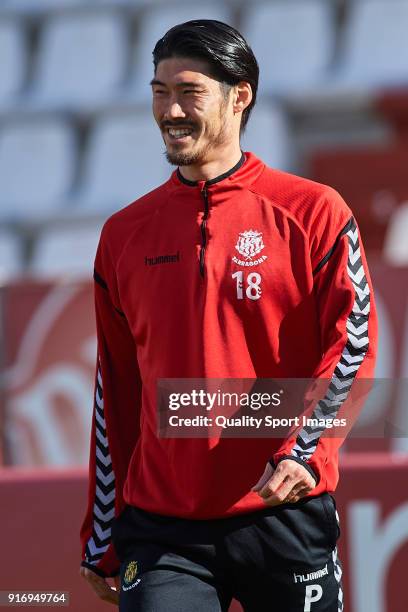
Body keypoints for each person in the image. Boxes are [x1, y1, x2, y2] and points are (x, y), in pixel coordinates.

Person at [80, 19, 377, 612]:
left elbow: (352, 344)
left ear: (239, 95)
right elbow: (116, 386)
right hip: (163, 530)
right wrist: (103, 528)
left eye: (189, 91)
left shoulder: (314, 212)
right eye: (159, 92)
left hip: (282, 511)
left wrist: (305, 452)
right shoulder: (122, 234)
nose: (170, 110)